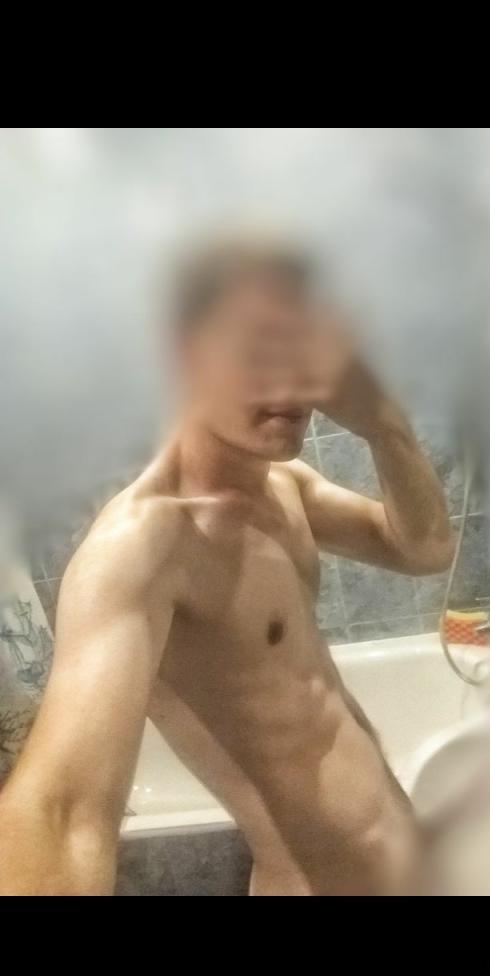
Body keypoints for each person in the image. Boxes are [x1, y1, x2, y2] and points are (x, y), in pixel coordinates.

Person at [0, 237, 454, 895]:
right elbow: (62, 816)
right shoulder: (143, 547)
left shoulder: (285, 487)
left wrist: (386, 426)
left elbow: (425, 552)